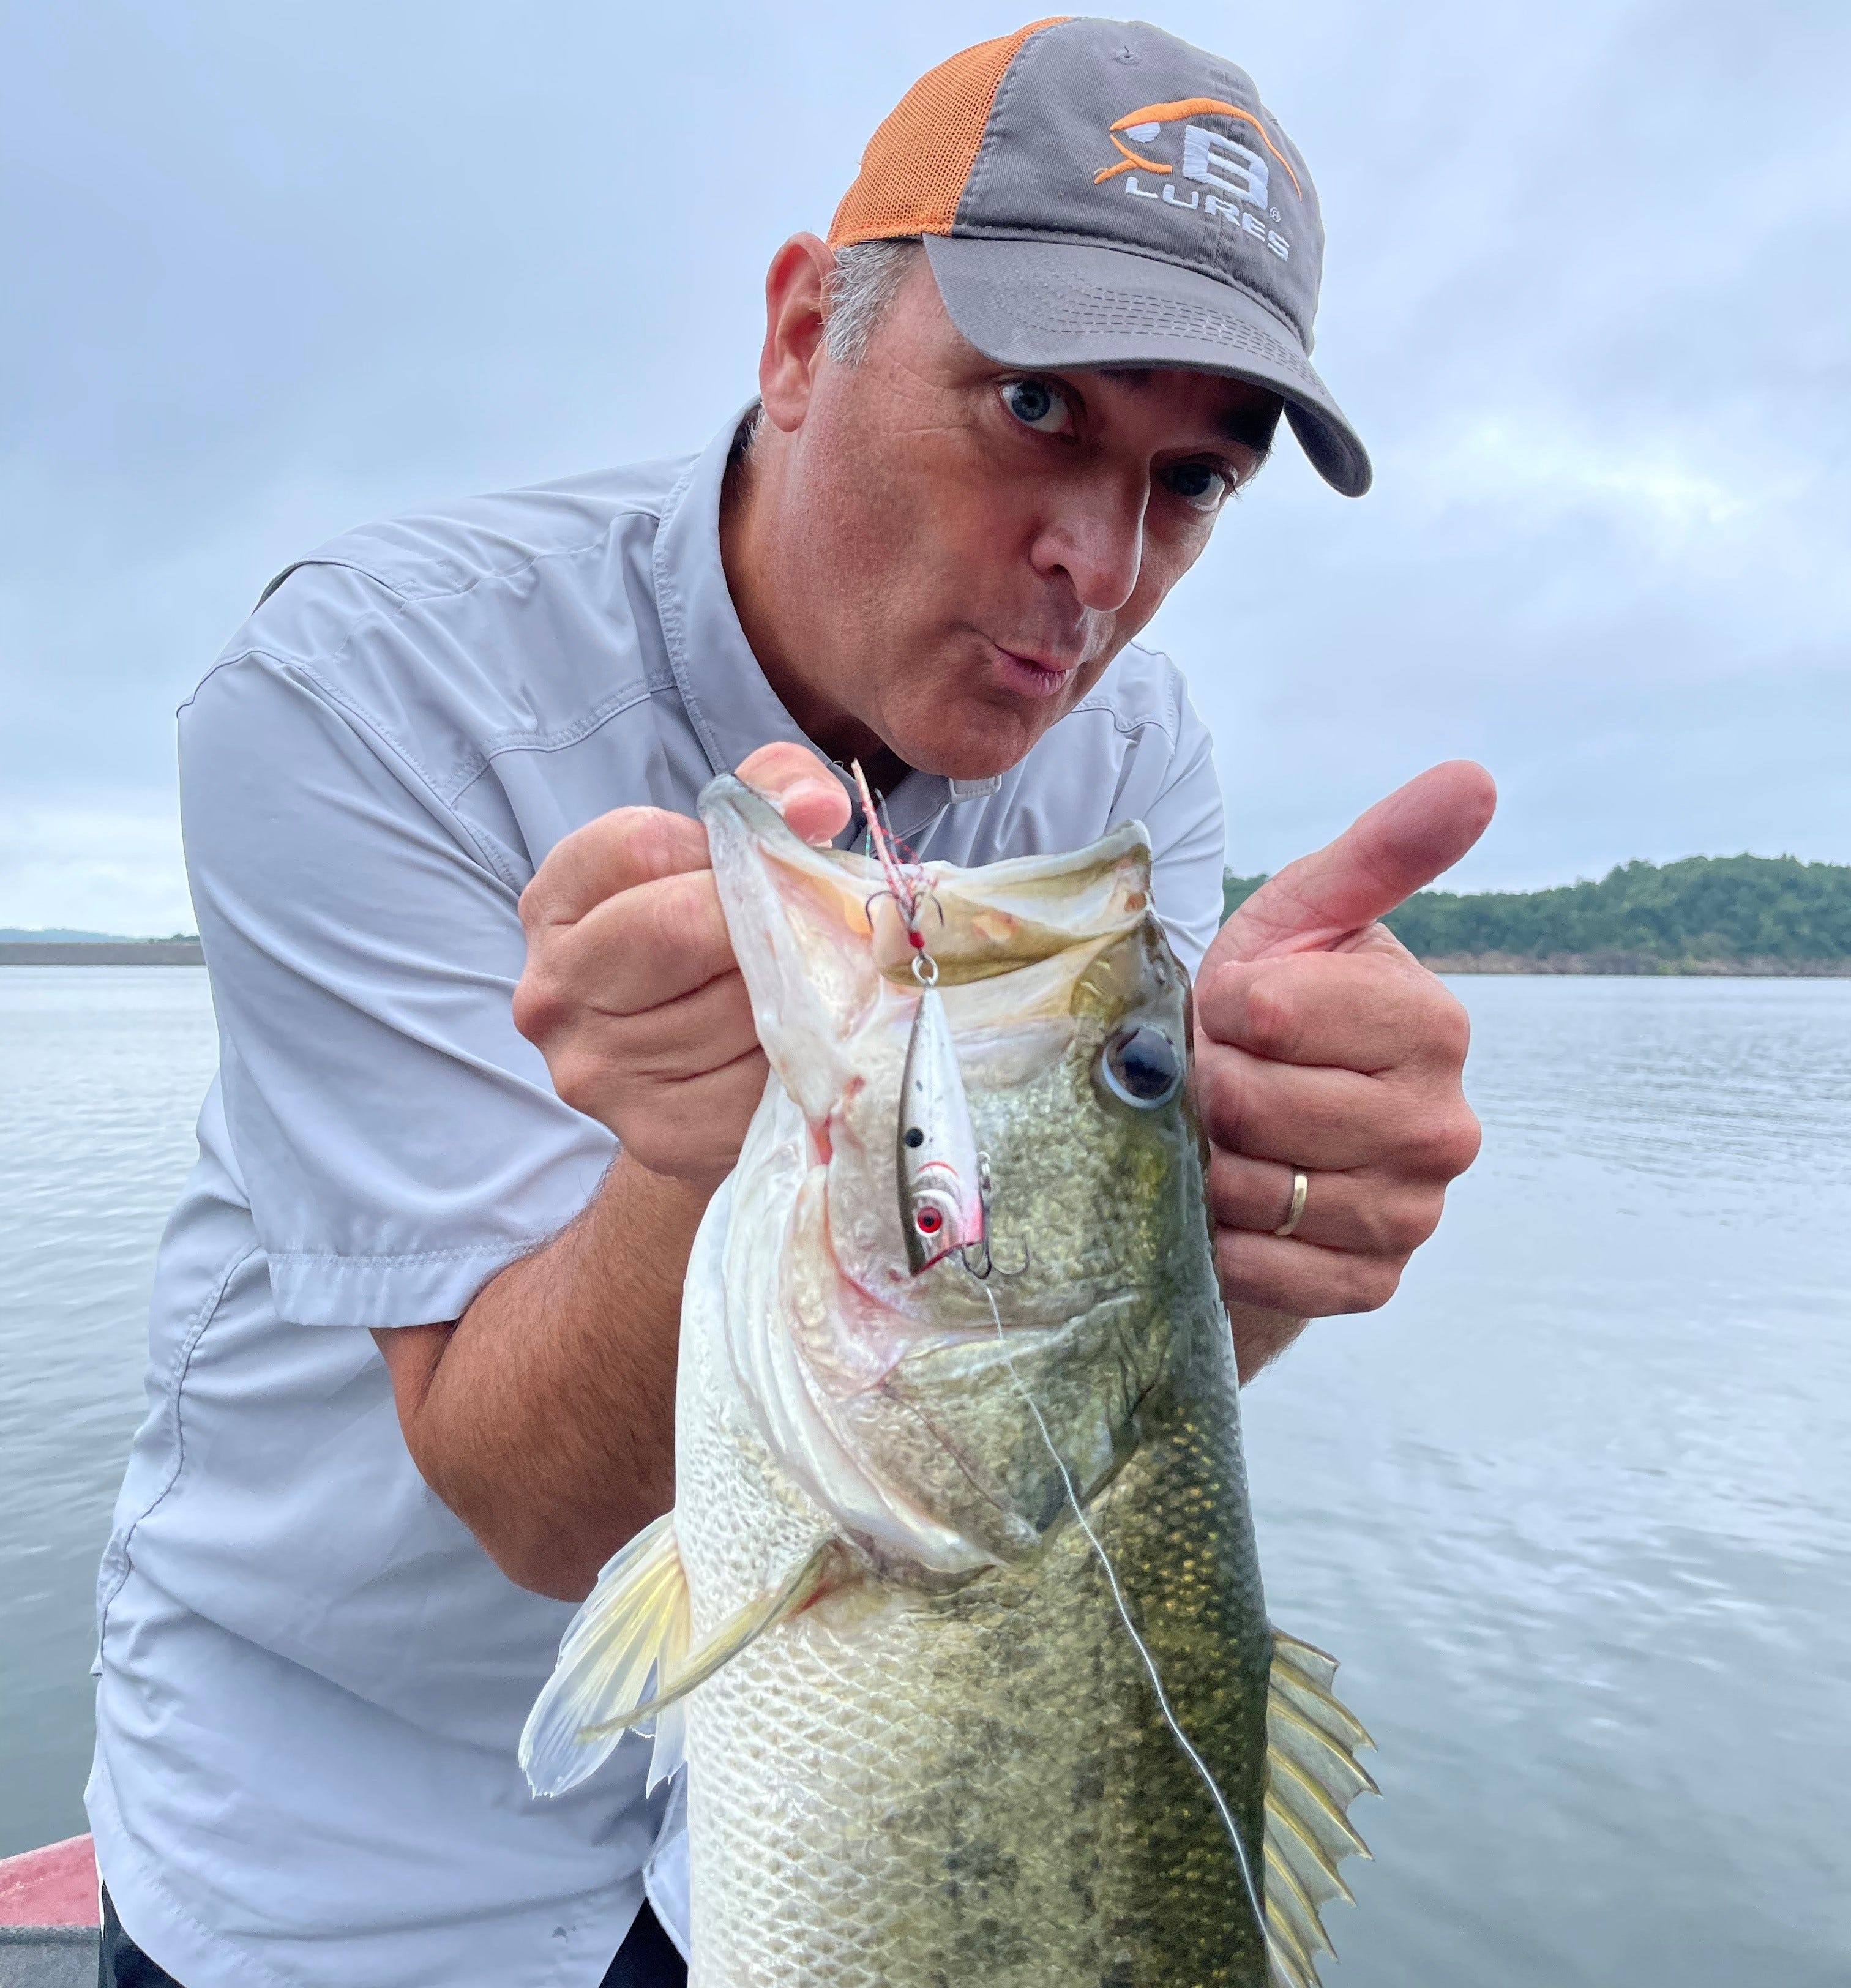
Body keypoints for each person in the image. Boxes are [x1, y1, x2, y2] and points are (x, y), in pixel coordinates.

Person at [88, 18, 1489, 1988]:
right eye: (1031, 405)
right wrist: (690, 1162)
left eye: (1188, 482)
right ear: (801, 336)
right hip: (347, 1867)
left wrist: (1262, 1233)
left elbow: (1082, 1405)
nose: (1094, 565)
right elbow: (530, 1496)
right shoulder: (361, 696)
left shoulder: (1131, 762)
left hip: (831, 1845)